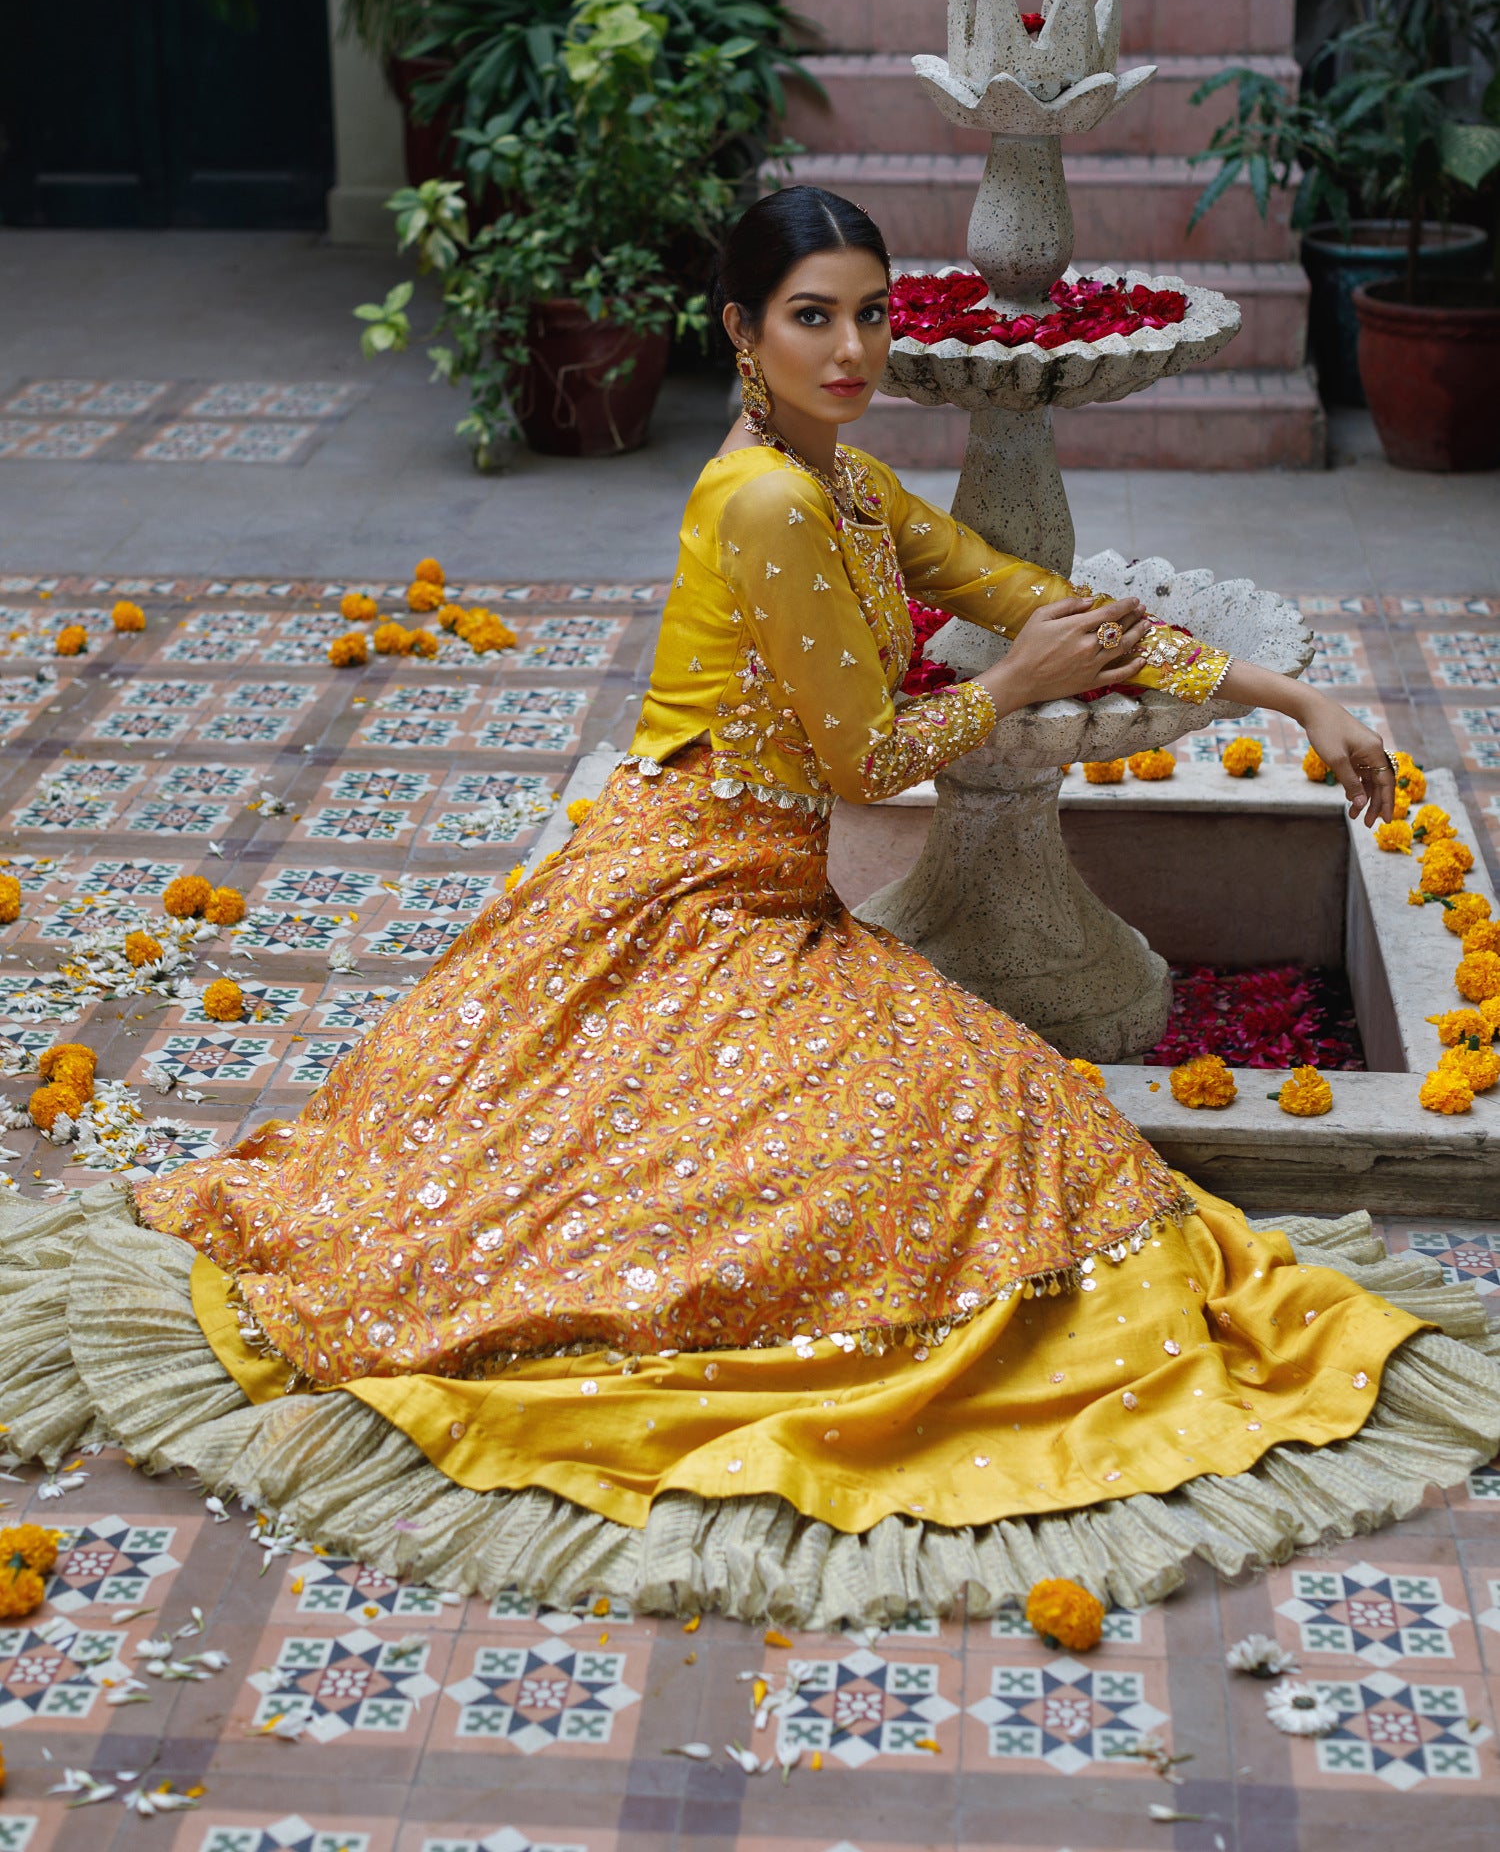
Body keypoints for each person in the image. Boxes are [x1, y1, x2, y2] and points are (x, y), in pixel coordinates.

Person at [3, 187, 1494, 1626]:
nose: (850, 353)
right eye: (810, 319)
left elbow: (1016, 579)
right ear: (739, 330)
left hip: (768, 887)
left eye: (870, 318)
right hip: (690, 887)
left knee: (1008, 1121)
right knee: (859, 1158)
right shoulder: (772, 501)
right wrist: (1018, 686)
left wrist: (1291, 692)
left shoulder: (843, 479)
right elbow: (865, 759)